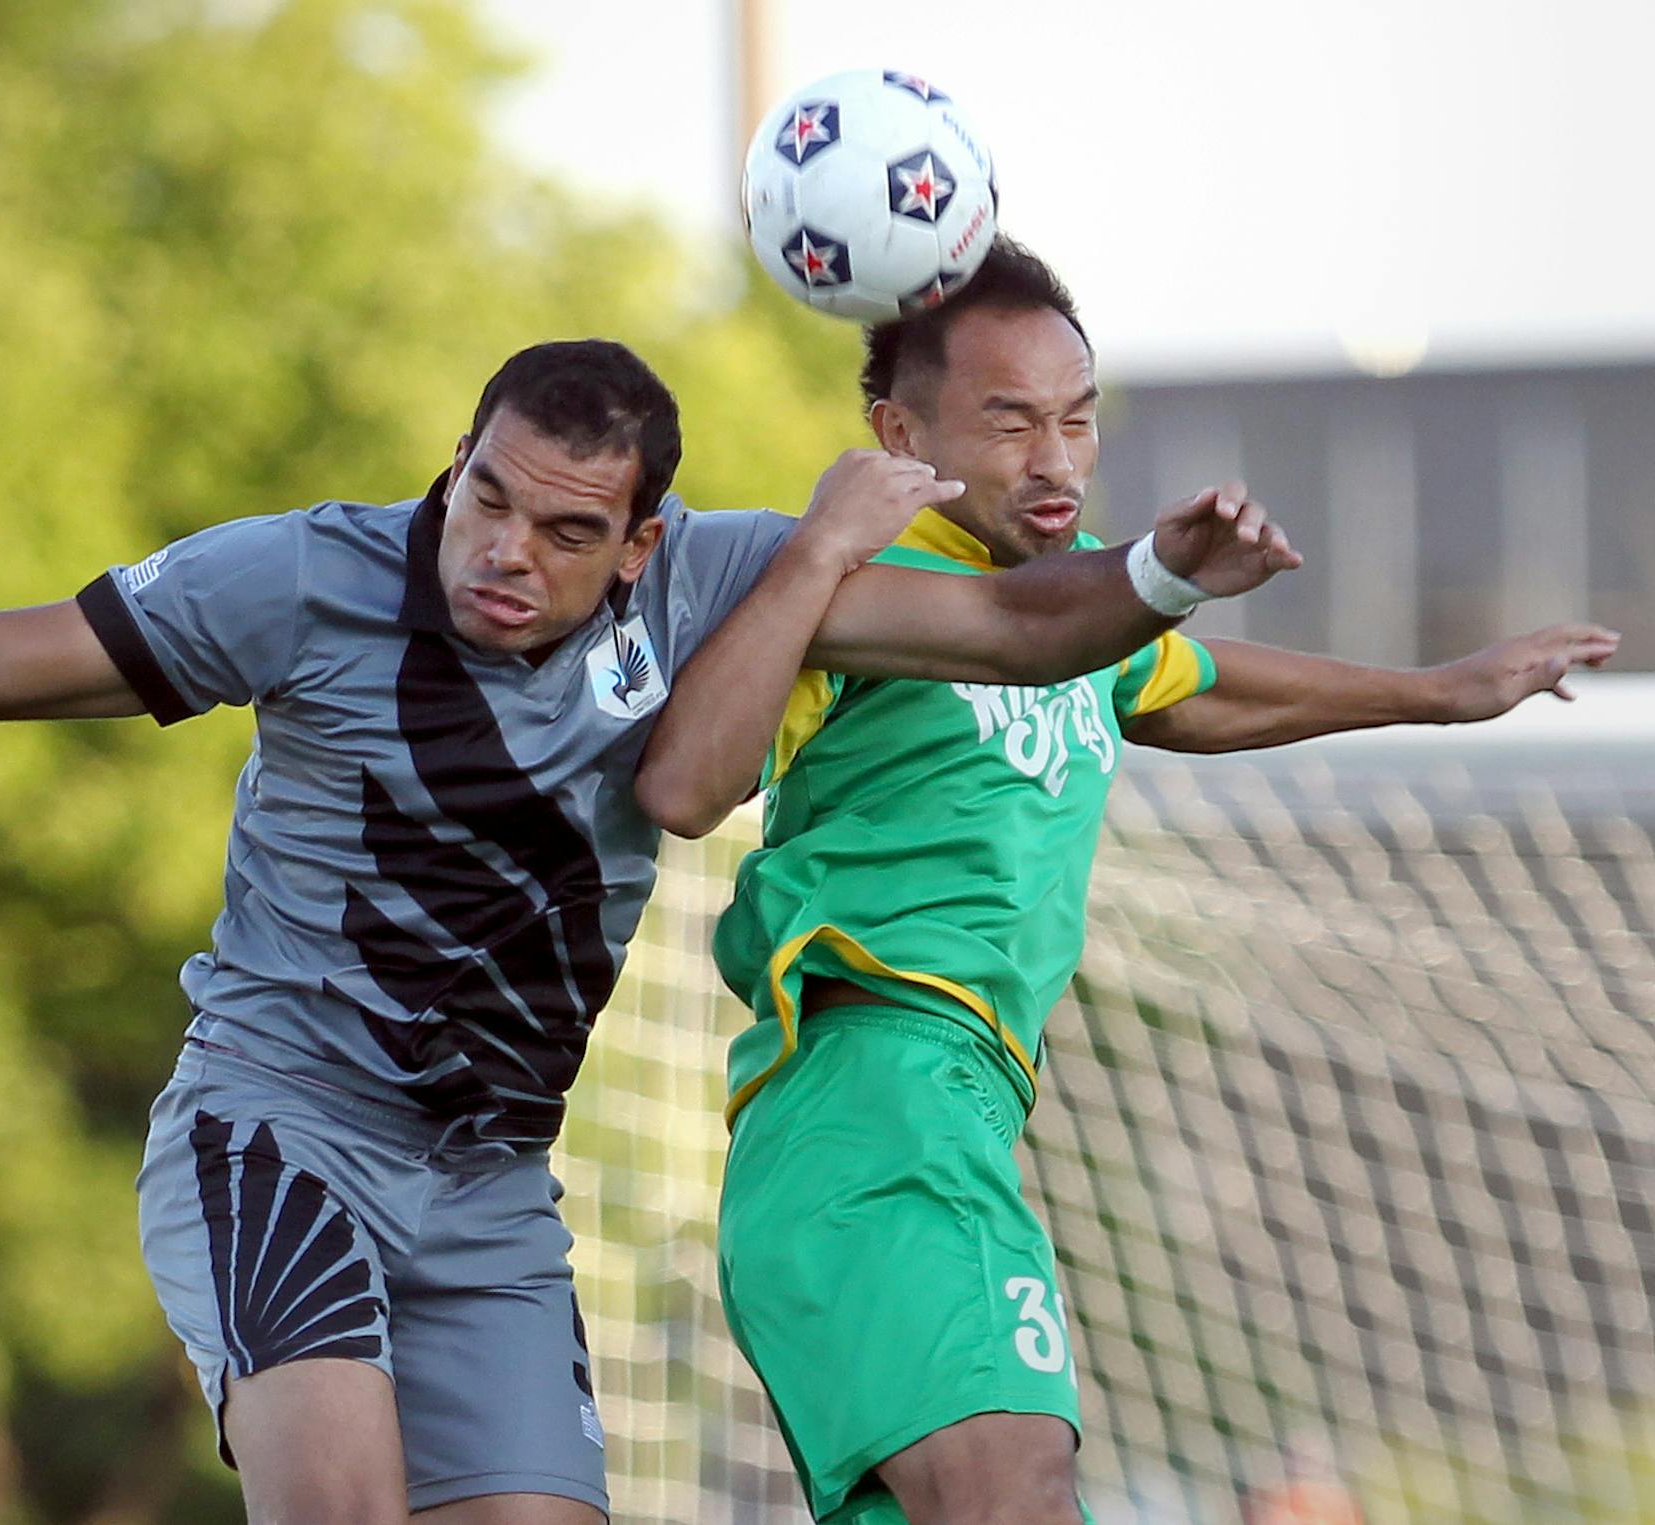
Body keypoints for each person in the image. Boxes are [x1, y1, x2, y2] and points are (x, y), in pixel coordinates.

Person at [0, 337, 1301, 1525]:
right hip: (277, 1130)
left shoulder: (723, 592)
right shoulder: (294, 582)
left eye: (563, 530)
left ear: (642, 546)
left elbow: (1009, 630)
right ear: (451, 465)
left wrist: (1156, 576)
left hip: (487, 1192)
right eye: (485, 500)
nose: (505, 555)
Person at [634, 242, 1619, 1525]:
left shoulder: (1077, 607)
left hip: (958, 1116)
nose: (1054, 460)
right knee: (1019, 1492)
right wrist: (815, 556)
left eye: (1077, 417)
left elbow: (1196, 688)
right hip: (873, 1101)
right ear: (898, 429)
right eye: (1009, 421)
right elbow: (685, 787)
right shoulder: (869, 593)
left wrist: (1440, 693)